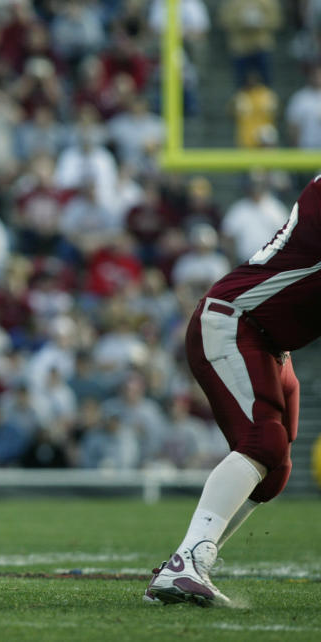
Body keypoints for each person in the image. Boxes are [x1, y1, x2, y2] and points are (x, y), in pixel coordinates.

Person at [145, 174, 321, 606]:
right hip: (236, 320)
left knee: (274, 472)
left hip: (272, 342)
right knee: (263, 442)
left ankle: (186, 562)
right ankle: (188, 563)